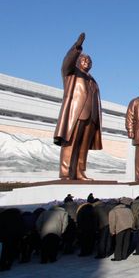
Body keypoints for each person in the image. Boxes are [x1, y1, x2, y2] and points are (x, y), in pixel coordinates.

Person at [54, 32, 103, 181]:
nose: (87, 61)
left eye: (90, 60)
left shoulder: (93, 80)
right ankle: (65, 173)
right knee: (71, 143)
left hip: (91, 116)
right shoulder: (71, 73)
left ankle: (80, 172)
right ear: (77, 61)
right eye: (84, 59)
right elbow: (66, 63)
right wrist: (77, 47)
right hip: (76, 114)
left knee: (83, 146)